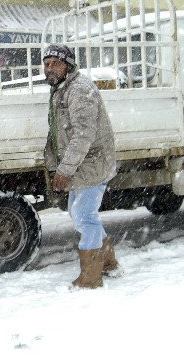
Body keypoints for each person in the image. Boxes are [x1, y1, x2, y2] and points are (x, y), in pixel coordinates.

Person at [42, 44, 122, 289]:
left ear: (68, 64)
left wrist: (64, 170)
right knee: (80, 216)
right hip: (81, 164)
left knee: (84, 217)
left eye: (55, 63)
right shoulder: (62, 88)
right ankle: (107, 262)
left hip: (92, 163)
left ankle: (91, 278)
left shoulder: (79, 89)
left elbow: (82, 136)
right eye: (46, 64)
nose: (49, 68)